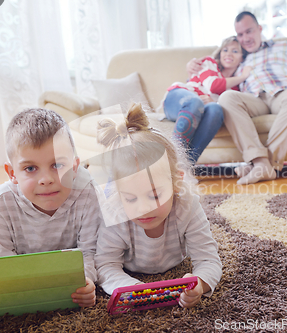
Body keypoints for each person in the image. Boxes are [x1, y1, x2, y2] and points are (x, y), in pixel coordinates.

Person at [0, 108, 103, 320]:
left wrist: (86, 281)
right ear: (12, 174)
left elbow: (90, 251)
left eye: (57, 165)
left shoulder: (89, 194)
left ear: (74, 167)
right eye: (30, 168)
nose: (46, 179)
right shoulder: (1, 204)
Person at [188, 12, 287, 184]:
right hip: (253, 100)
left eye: (249, 31)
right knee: (228, 98)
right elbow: (216, 64)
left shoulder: (284, 47)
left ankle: (263, 165)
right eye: (240, 34)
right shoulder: (238, 56)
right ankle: (260, 163)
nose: (245, 38)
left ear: (259, 29)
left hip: (284, 93)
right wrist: (192, 64)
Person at [94, 103, 222, 308]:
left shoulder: (187, 206)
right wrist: (131, 288)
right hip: (132, 273)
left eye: (154, 196)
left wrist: (200, 284)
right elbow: (105, 265)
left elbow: (208, 259)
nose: (143, 207)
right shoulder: (115, 212)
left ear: (176, 183)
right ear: (118, 193)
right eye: (130, 198)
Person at [164, 36, 252, 164]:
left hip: (200, 111)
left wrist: (214, 102)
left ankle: (185, 167)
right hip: (178, 99)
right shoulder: (209, 62)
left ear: (242, 57)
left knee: (216, 109)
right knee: (195, 102)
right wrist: (243, 76)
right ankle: (172, 160)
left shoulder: (236, 89)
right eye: (225, 50)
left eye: (235, 51)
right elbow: (213, 85)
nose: (228, 54)